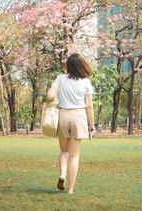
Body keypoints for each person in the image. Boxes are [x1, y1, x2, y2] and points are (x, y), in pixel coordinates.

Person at [47, 53, 95, 194]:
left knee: (64, 151)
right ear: (82, 65)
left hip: (63, 116)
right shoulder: (86, 81)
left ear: (68, 65)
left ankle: (62, 174)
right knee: (74, 155)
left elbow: (50, 96)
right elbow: (89, 106)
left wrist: (51, 89)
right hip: (78, 117)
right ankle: (70, 190)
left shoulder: (60, 78)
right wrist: (91, 124)